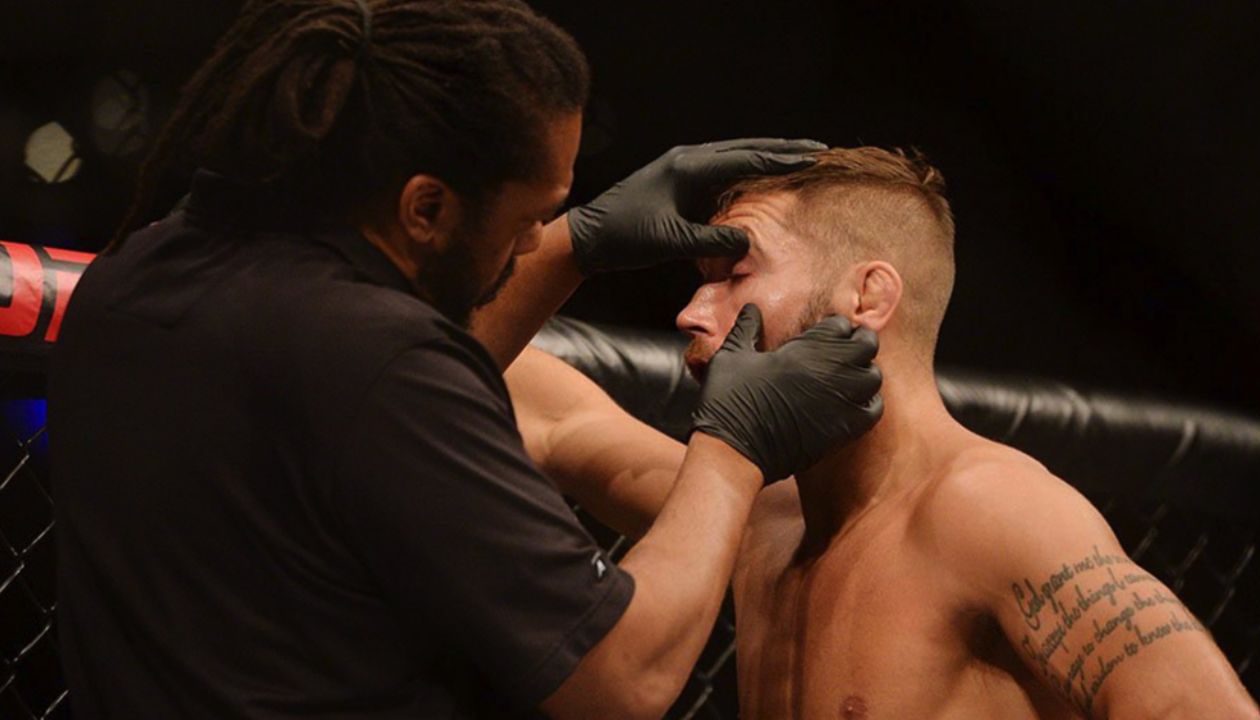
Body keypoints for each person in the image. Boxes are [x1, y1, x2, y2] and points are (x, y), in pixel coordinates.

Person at [46, 2, 887, 718]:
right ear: (426, 208)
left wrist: (575, 246)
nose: (533, 242)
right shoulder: (373, 360)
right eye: (532, 216)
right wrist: (736, 443)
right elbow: (620, 680)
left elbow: (364, 417)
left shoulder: (148, 273)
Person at [504, 147, 1260, 718]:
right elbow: (527, 402)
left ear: (867, 295)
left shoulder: (992, 510)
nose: (693, 313)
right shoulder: (755, 517)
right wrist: (577, 243)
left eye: (734, 273)